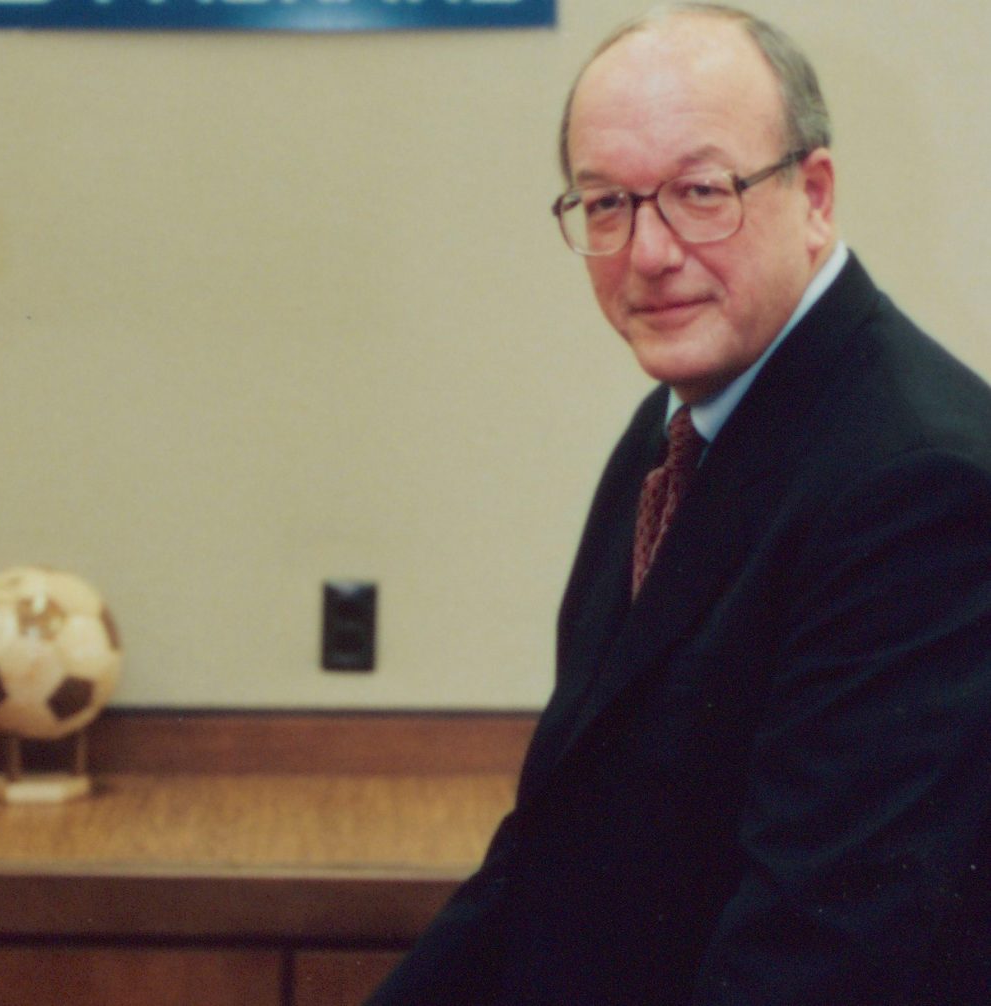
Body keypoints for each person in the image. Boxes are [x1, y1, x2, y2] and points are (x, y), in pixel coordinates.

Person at [368, 5, 991, 1004]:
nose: (648, 251)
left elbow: (817, 953)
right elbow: (552, 851)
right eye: (606, 203)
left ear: (816, 194)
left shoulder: (923, 488)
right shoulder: (673, 428)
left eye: (702, 192)